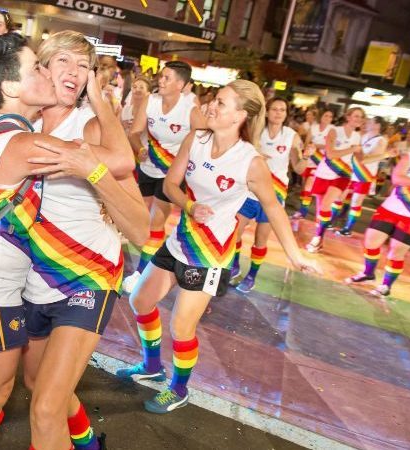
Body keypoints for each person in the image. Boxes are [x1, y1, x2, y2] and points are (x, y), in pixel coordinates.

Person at [119, 80, 318, 414]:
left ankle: (179, 388)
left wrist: (296, 255)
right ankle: (152, 367)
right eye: (214, 100)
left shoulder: (251, 162)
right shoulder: (194, 139)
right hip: (180, 240)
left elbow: (273, 208)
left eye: (221, 103)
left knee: (181, 327)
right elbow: (170, 183)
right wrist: (190, 206)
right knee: (140, 299)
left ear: (241, 115)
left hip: (211, 255)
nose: (211, 105)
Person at [22, 31, 145, 450]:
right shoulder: (23, 123)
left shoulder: (91, 127)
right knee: (36, 381)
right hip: (34, 277)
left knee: (44, 410)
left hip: (89, 277)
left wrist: (90, 167)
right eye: (63, 61)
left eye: (83, 65)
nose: (73, 72)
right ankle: (89, 443)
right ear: (41, 66)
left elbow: (143, 230)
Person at [123, 61, 207, 294]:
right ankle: (150, 259)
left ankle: (140, 273)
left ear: (180, 84)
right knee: (139, 217)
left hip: (172, 175)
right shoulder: (151, 101)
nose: (161, 81)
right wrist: (138, 148)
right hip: (148, 166)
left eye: (167, 78)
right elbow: (135, 132)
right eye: (161, 76)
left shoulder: (191, 110)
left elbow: (204, 141)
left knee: (156, 222)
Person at [229, 98, 308, 293]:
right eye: (274, 109)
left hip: (274, 194)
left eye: (282, 109)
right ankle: (235, 265)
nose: (278, 113)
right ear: (267, 112)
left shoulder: (292, 137)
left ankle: (251, 276)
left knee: (260, 239)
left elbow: (298, 168)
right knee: (234, 233)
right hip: (250, 190)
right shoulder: (256, 132)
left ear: (286, 114)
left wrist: (307, 156)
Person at [345, 132, 410, 297]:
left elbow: (404, 178)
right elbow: (397, 178)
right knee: (370, 241)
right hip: (390, 208)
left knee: (396, 252)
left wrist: (409, 179)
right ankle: (368, 273)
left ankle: (385, 286)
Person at [306, 107, 365, 253]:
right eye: (356, 116)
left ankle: (316, 239)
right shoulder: (334, 131)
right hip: (324, 172)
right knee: (321, 211)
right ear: (348, 117)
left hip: (343, 174)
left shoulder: (357, 137)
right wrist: (352, 149)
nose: (358, 119)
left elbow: (361, 159)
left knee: (327, 204)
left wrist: (382, 154)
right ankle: (319, 237)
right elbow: (331, 154)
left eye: (361, 117)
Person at [336, 117, 391, 236]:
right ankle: (335, 219)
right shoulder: (364, 136)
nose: (367, 123)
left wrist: (357, 152)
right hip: (353, 171)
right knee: (341, 195)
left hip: (365, 174)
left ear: (377, 125)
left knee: (356, 202)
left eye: (371, 122)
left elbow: (368, 158)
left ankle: (348, 228)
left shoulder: (381, 140)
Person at [291, 109, 334, 221]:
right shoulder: (313, 128)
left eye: (330, 116)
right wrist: (312, 147)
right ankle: (305, 210)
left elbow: (330, 147)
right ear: (321, 116)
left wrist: (316, 145)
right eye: (326, 115)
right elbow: (307, 144)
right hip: (310, 159)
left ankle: (304, 212)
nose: (328, 118)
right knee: (305, 186)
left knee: (309, 186)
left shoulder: (332, 130)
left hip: (322, 163)